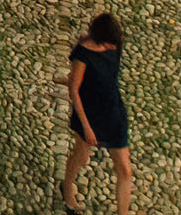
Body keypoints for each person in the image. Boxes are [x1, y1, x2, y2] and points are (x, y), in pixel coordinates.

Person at [63, 12, 132, 215]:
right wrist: (86, 127)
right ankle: (67, 189)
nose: (114, 47)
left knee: (125, 170)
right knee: (81, 158)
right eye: (111, 43)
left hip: (113, 114)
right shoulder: (84, 54)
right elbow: (74, 89)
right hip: (89, 114)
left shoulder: (115, 45)